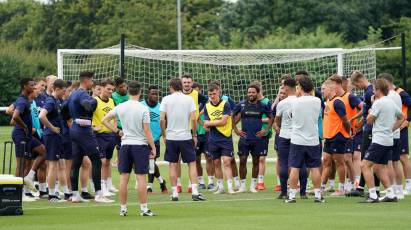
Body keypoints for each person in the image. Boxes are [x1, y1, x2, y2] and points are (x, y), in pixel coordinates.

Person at [102, 81, 156, 217]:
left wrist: (117, 131)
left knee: (123, 178)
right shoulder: (143, 108)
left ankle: (123, 209)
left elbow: (104, 120)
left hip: (125, 145)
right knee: (141, 177)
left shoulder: (120, 106)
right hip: (140, 145)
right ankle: (144, 209)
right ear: (140, 91)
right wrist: (153, 147)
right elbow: (147, 130)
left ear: (128, 90)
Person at [63, 71, 113, 203]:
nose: (93, 83)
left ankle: (75, 194)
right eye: (92, 80)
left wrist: (69, 120)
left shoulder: (73, 93)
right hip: (84, 130)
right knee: (96, 160)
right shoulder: (83, 94)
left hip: (74, 128)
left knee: (77, 162)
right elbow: (88, 105)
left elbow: (63, 109)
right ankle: (99, 194)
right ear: (87, 80)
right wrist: (93, 101)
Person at [160, 78, 206, 201]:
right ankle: (195, 192)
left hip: (171, 137)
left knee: (173, 165)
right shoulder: (189, 99)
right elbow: (194, 119)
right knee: (191, 163)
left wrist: (164, 135)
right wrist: (194, 135)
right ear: (181, 86)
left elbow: (162, 119)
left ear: (171, 87)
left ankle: (175, 193)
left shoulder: (166, 99)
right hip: (185, 136)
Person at [359, 78, 403, 203]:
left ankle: (373, 195)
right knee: (379, 168)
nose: (373, 91)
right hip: (388, 139)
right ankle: (390, 193)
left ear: (378, 90)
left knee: (364, 165)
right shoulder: (390, 102)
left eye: (374, 89)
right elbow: (401, 117)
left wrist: (371, 109)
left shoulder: (378, 103)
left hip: (379, 140)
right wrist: (391, 129)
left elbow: (369, 120)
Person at [285, 76, 323, 203]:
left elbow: (290, 115)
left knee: (295, 167)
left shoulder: (294, 101)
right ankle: (318, 195)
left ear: (300, 87)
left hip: (297, 140)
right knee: (315, 168)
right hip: (313, 139)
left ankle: (291, 196)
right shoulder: (317, 101)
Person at [232, 83, 273, 193]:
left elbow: (271, 117)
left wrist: (266, 130)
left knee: (256, 161)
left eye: (253, 92)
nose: (250, 94)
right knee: (243, 160)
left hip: (257, 139)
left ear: (257, 93)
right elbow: (231, 115)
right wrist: (235, 129)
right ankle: (242, 186)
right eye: (249, 92)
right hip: (244, 139)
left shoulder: (262, 105)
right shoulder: (241, 105)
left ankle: (253, 186)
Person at [11, 78, 47, 199]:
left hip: (28, 136)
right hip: (20, 135)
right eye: (31, 85)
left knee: (43, 151)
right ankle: (18, 194)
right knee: (21, 165)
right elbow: (15, 116)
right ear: (24, 86)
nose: (34, 87)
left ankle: (30, 176)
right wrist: (25, 126)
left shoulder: (27, 100)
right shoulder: (22, 101)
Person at [347, 71, 380, 197]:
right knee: (367, 159)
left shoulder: (370, 91)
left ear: (360, 80)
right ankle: (365, 187)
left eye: (356, 85)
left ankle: (366, 188)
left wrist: (364, 125)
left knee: (367, 159)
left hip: (371, 129)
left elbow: (374, 111)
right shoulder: (368, 91)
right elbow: (365, 111)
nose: (357, 88)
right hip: (367, 128)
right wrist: (355, 121)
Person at [275, 78, 308, 199]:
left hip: (285, 136)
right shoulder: (302, 101)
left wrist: (282, 124)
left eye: (283, 87)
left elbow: (277, 121)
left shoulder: (282, 103)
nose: (282, 89)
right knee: (301, 163)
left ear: (287, 88)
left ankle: (284, 192)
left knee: (283, 162)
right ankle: (303, 193)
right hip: (299, 135)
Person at [39, 79, 71, 202]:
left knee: (62, 165)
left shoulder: (58, 100)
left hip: (59, 136)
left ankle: (67, 193)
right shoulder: (50, 101)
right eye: (63, 91)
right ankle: (52, 194)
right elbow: (42, 116)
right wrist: (52, 128)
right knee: (52, 166)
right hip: (51, 136)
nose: (64, 93)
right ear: (56, 89)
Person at [321, 79, 351, 196]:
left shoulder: (337, 102)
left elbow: (346, 121)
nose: (322, 91)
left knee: (339, 162)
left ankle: (341, 188)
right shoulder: (328, 101)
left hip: (338, 136)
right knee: (326, 161)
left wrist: (346, 133)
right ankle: (321, 187)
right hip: (328, 137)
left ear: (331, 89)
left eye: (324, 89)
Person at [204, 83, 235, 194]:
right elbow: (205, 124)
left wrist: (211, 123)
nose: (212, 96)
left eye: (214, 93)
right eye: (210, 94)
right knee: (216, 162)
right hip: (213, 138)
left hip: (225, 137)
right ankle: (220, 187)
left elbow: (224, 121)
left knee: (226, 162)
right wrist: (212, 123)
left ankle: (230, 187)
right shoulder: (207, 106)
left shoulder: (225, 104)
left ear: (219, 93)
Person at [377, 73, 404, 199]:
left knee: (389, 163)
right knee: (395, 162)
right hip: (395, 133)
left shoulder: (390, 97)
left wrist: (389, 129)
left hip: (389, 134)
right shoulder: (396, 95)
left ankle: (393, 190)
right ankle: (398, 189)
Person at [181, 74, 208, 192]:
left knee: (191, 158)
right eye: (184, 82)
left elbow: (209, 102)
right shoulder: (177, 94)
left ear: (192, 83)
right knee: (177, 159)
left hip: (192, 129)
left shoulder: (197, 95)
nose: (186, 84)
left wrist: (199, 114)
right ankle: (177, 185)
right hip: (179, 129)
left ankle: (190, 184)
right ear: (181, 83)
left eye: (188, 82)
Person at [92, 79, 119, 197]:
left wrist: (115, 128)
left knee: (107, 161)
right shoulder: (95, 101)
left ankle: (108, 185)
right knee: (102, 162)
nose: (110, 91)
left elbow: (115, 117)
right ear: (102, 88)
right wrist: (93, 127)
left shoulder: (112, 102)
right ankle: (101, 187)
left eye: (112, 90)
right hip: (99, 136)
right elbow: (89, 116)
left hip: (110, 135)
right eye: (108, 89)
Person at [141, 85, 168, 194]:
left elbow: (165, 121)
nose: (155, 96)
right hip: (142, 139)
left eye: (157, 94)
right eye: (153, 93)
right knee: (147, 163)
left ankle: (149, 187)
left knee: (151, 162)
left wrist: (161, 134)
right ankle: (162, 182)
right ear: (148, 94)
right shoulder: (141, 105)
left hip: (155, 140)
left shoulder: (161, 107)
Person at [192, 82, 215, 190]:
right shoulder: (190, 103)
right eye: (194, 91)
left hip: (206, 135)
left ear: (200, 90)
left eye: (197, 90)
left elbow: (198, 116)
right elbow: (196, 117)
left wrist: (205, 125)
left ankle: (211, 181)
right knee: (196, 159)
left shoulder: (206, 102)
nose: (196, 93)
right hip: (196, 134)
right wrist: (201, 124)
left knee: (209, 157)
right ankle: (201, 181)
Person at [252, 81, 272, 190]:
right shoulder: (250, 102)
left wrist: (258, 119)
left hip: (264, 133)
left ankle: (261, 181)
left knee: (261, 158)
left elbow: (271, 118)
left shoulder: (267, 102)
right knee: (255, 158)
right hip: (252, 134)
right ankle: (254, 181)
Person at [394, 84, 411, 195]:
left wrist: (407, 120)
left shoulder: (401, 93)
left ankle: (409, 186)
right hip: (394, 129)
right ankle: (395, 186)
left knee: (403, 157)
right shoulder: (390, 94)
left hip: (401, 129)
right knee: (395, 158)